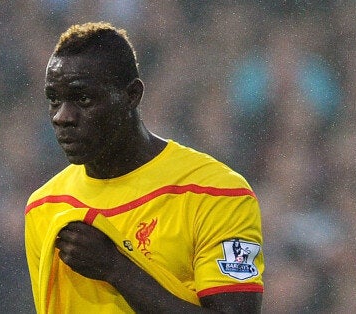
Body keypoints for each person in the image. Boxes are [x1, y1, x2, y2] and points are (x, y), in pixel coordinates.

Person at [25, 22, 264, 313]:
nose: (62, 117)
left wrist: (116, 268)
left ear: (131, 96)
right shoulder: (45, 207)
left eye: (83, 99)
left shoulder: (217, 193)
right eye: (54, 100)